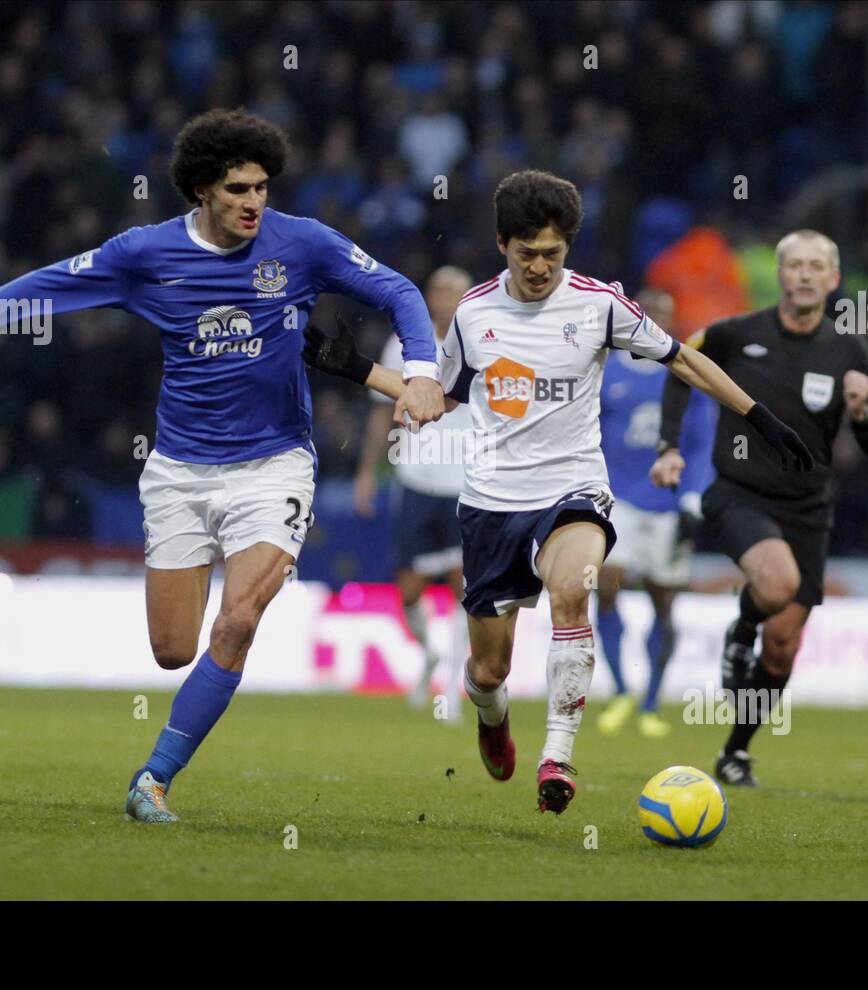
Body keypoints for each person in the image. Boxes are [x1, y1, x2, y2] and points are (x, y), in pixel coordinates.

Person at [0, 109, 446, 823]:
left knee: (239, 620)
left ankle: (152, 779)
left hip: (275, 464)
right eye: (238, 189)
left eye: (262, 188)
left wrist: (424, 370)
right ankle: (166, 739)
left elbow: (400, 290)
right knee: (172, 649)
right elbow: (47, 287)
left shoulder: (302, 244)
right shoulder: (144, 254)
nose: (254, 202)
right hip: (180, 471)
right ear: (200, 193)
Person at [303, 170, 811, 814]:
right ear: (501, 244)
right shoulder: (475, 314)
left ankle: (559, 757)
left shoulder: (600, 305)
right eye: (527, 254)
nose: (540, 267)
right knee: (489, 673)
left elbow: (684, 358)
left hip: (573, 489)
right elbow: (437, 398)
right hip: (490, 502)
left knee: (575, 592)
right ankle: (493, 718)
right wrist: (359, 371)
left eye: (552, 253)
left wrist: (759, 417)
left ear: (568, 246)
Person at [657, 229, 868, 787]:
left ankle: (735, 753)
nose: (805, 274)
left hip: (808, 510)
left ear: (834, 280)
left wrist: (860, 414)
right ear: (780, 275)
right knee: (777, 584)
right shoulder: (738, 333)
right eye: (795, 265)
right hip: (738, 494)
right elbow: (677, 365)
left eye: (817, 266)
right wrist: (669, 448)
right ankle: (742, 626)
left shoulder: (853, 353)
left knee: (783, 648)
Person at [596, 288, 716, 738]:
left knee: (663, 602)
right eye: (650, 314)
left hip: (668, 504)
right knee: (607, 583)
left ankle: (650, 702)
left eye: (666, 314)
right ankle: (622, 690)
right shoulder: (607, 371)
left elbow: (702, 442)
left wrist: (692, 499)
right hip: (619, 498)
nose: (657, 321)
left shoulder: (685, 371)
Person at [354, 266, 473, 713]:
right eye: (438, 290)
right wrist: (367, 471)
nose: (445, 299)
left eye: (453, 292)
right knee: (407, 588)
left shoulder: (483, 342)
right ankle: (429, 653)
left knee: (465, 587)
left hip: (466, 484)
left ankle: (452, 688)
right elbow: (380, 411)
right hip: (416, 478)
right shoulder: (407, 343)